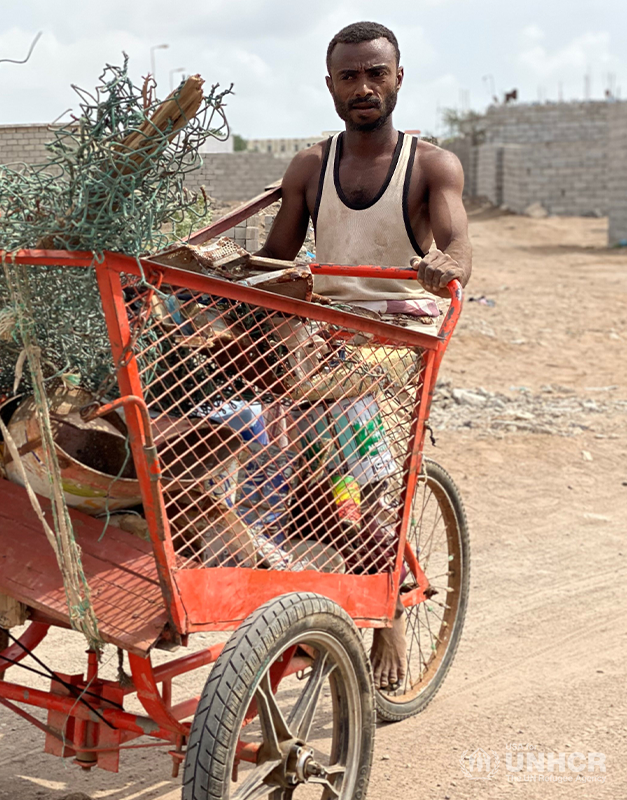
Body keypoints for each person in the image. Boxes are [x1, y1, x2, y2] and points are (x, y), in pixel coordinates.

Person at [253, 21, 472, 691]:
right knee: (245, 409)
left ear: (399, 77)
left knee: (354, 432)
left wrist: (441, 264)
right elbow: (272, 259)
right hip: (329, 328)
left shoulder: (431, 165)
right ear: (330, 87)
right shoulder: (310, 166)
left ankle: (390, 614)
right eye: (350, 76)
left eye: (377, 73)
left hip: (398, 334)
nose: (365, 87)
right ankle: (275, 565)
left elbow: (460, 248)